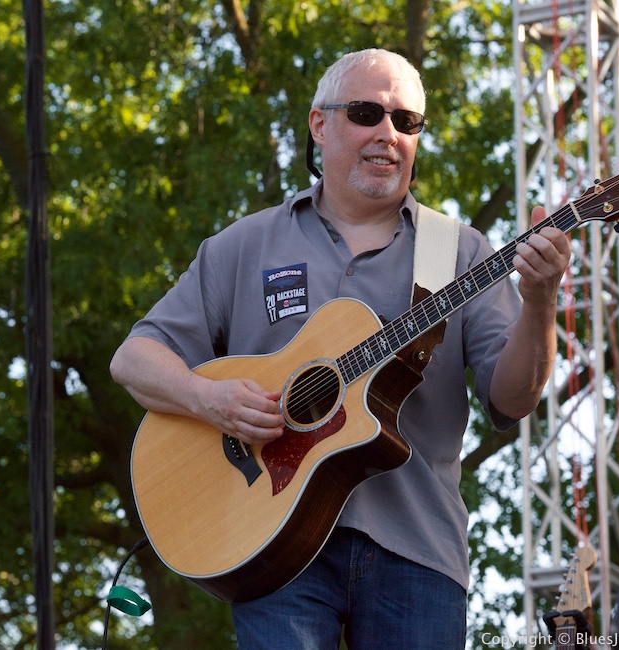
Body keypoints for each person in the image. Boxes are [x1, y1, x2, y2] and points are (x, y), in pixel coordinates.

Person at [110, 48, 571, 649]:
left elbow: (511, 401)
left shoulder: (457, 253)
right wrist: (208, 398)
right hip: (267, 543)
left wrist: (539, 302)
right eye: (367, 113)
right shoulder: (244, 244)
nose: (388, 134)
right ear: (319, 124)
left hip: (417, 551)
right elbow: (135, 358)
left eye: (406, 123)